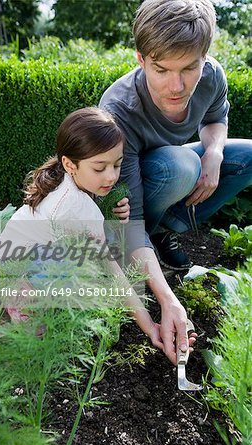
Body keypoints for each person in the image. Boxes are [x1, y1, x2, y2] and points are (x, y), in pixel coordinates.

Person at [99, 0, 252, 362]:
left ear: (204, 57)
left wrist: (214, 153)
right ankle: (152, 241)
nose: (177, 85)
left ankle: (167, 229)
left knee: (244, 156)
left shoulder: (212, 76)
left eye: (189, 67)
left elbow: (216, 119)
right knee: (180, 165)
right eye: (161, 69)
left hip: (175, 175)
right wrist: (168, 300)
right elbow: (126, 223)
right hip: (136, 201)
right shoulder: (117, 110)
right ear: (140, 59)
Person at [0, 107, 197, 355]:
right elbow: (113, 271)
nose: (111, 176)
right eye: (100, 168)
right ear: (70, 164)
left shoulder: (68, 178)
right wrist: (148, 325)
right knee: (47, 331)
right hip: (22, 271)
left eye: (117, 164)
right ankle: (24, 308)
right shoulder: (76, 209)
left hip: (18, 248)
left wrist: (111, 208)